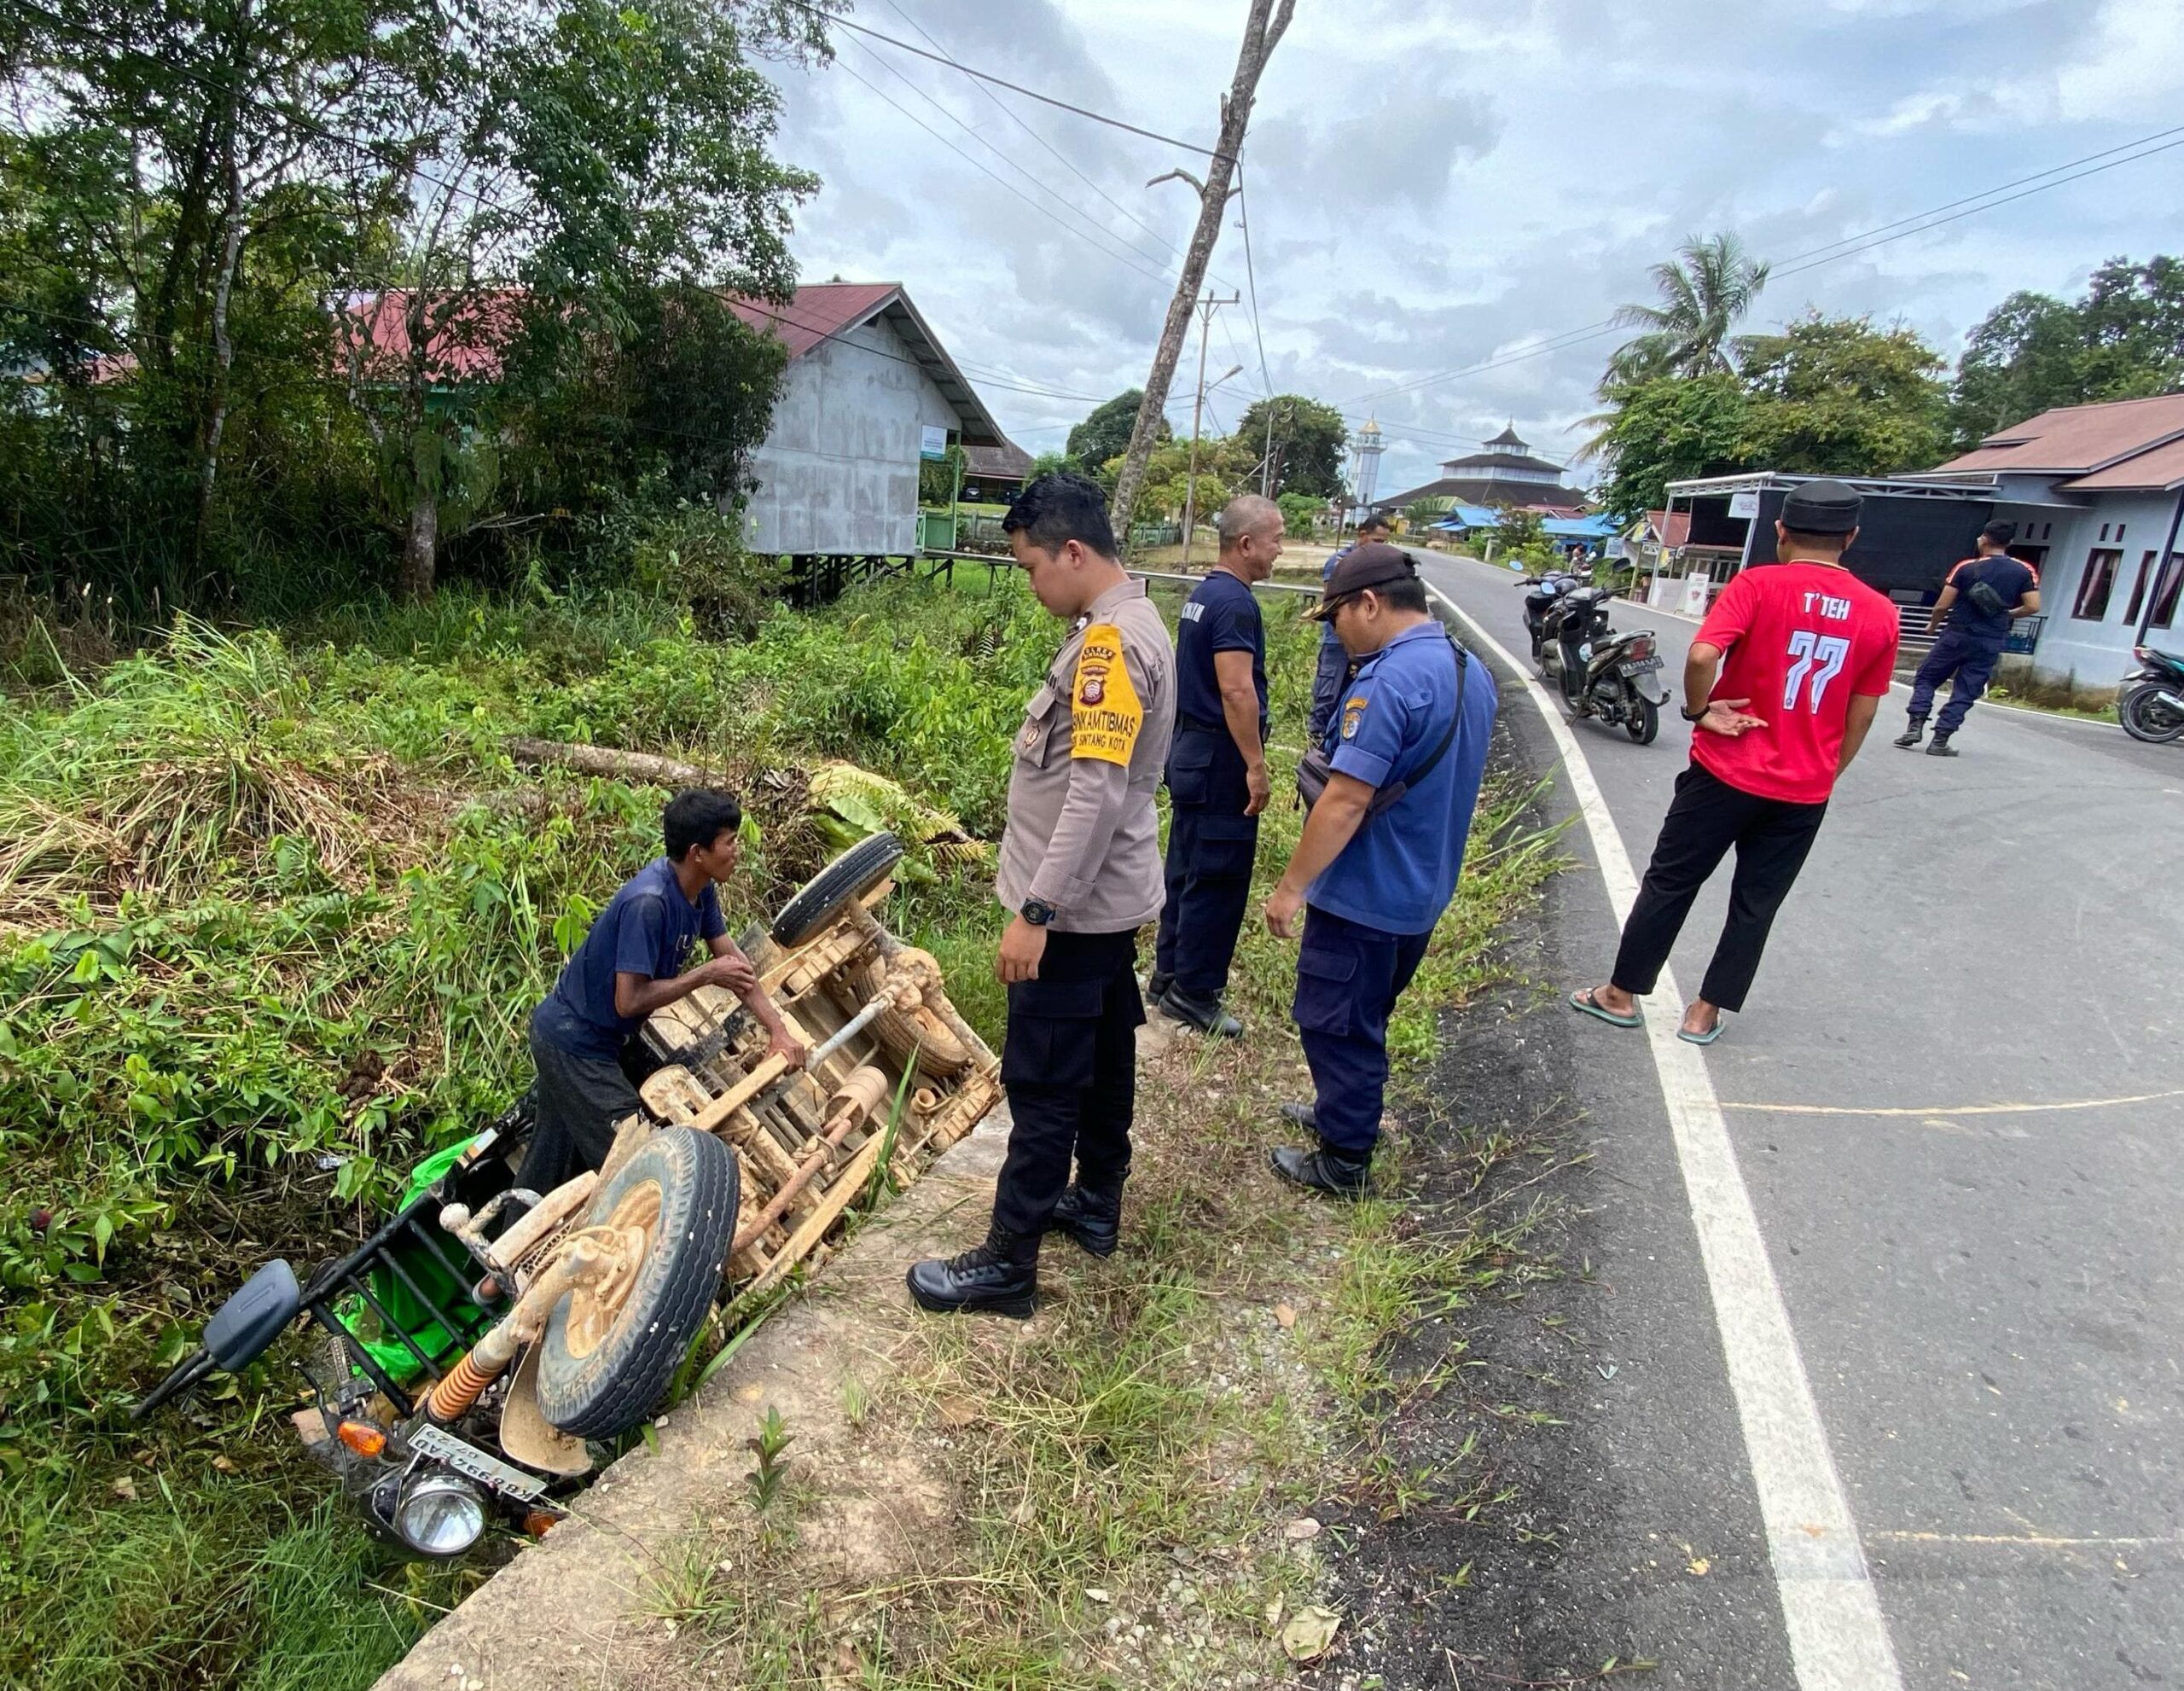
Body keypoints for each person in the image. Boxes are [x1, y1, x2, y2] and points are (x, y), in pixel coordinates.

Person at [907, 473, 1176, 1316]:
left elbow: (1091, 794)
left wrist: (1036, 912)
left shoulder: (1107, 645)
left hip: (1071, 913)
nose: (1029, 586)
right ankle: (1094, 1200)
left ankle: (1006, 1263)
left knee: (1046, 1082)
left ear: (1071, 550)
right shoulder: (1131, 621)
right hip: (1103, 905)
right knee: (1100, 1058)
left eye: (1029, 568)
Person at [1570, 481, 1898, 1045]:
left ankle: (1621, 995)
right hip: (1802, 790)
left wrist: (1701, 711)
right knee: (1757, 901)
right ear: (1851, 537)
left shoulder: (1758, 584)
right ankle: (1704, 1012)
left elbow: (1702, 654)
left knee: (1672, 881)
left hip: (1725, 772)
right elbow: (1862, 714)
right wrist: (1824, 773)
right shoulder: (1880, 613)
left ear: (1780, 531)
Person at [1263, 544, 1498, 1196]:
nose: (1335, 632)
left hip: (1367, 891)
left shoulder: (1389, 680)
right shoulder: (1465, 667)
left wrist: (1290, 889)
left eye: (1336, 616)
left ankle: (1344, 1160)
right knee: (1364, 1011)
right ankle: (1339, 1111)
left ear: (1369, 604)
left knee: (1336, 1021)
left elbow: (1345, 800)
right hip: (1422, 886)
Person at [520, 788, 805, 1194]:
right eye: (730, 842)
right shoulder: (649, 904)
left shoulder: (700, 889)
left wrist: (779, 1031)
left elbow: (735, 966)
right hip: (573, 1043)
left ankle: (499, 1252)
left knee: (550, 1163)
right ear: (697, 852)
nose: (737, 851)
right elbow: (629, 1000)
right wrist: (702, 976)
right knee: (640, 1158)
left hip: (594, 1042)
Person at [1147, 494, 1282, 1038]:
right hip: (1221, 757)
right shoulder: (1235, 604)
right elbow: (1235, 687)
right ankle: (1194, 992)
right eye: (1275, 538)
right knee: (1218, 876)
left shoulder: (1203, 595)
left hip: (1192, 751)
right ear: (1246, 544)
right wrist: (1255, 763)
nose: (1280, 549)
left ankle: (1167, 973)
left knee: (1186, 865)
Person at [1895, 520, 2040, 756]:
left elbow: (1942, 604)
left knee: (1926, 678)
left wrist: (1932, 626)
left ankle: (1915, 725)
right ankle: (1940, 740)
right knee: (1966, 690)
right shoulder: (2024, 570)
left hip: (1957, 634)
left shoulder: (1965, 568)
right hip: (1990, 639)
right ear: (2010, 543)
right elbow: (2032, 606)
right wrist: (2007, 614)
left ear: (1983, 539)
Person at [1310, 512, 1392, 742]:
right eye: (1377, 541)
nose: (1381, 547)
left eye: (1384, 542)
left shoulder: (1376, 565)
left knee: (1354, 694)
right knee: (1327, 693)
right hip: (1337, 639)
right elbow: (1330, 603)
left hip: (1365, 641)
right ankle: (1315, 743)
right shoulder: (1338, 562)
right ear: (1362, 535)